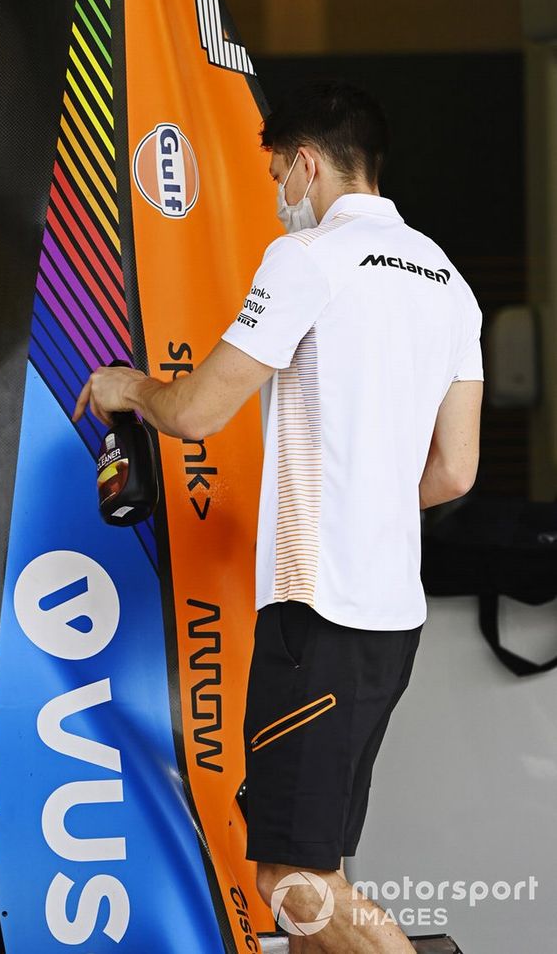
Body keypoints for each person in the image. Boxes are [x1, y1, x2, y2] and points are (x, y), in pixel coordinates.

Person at [72, 79, 483, 952]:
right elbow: (454, 470)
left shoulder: (308, 261)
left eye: (274, 178)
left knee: (292, 883)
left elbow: (192, 413)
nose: (278, 199)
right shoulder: (448, 280)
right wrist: (370, 490)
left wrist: (127, 387)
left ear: (303, 164)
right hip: (389, 622)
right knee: (320, 866)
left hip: (314, 613)